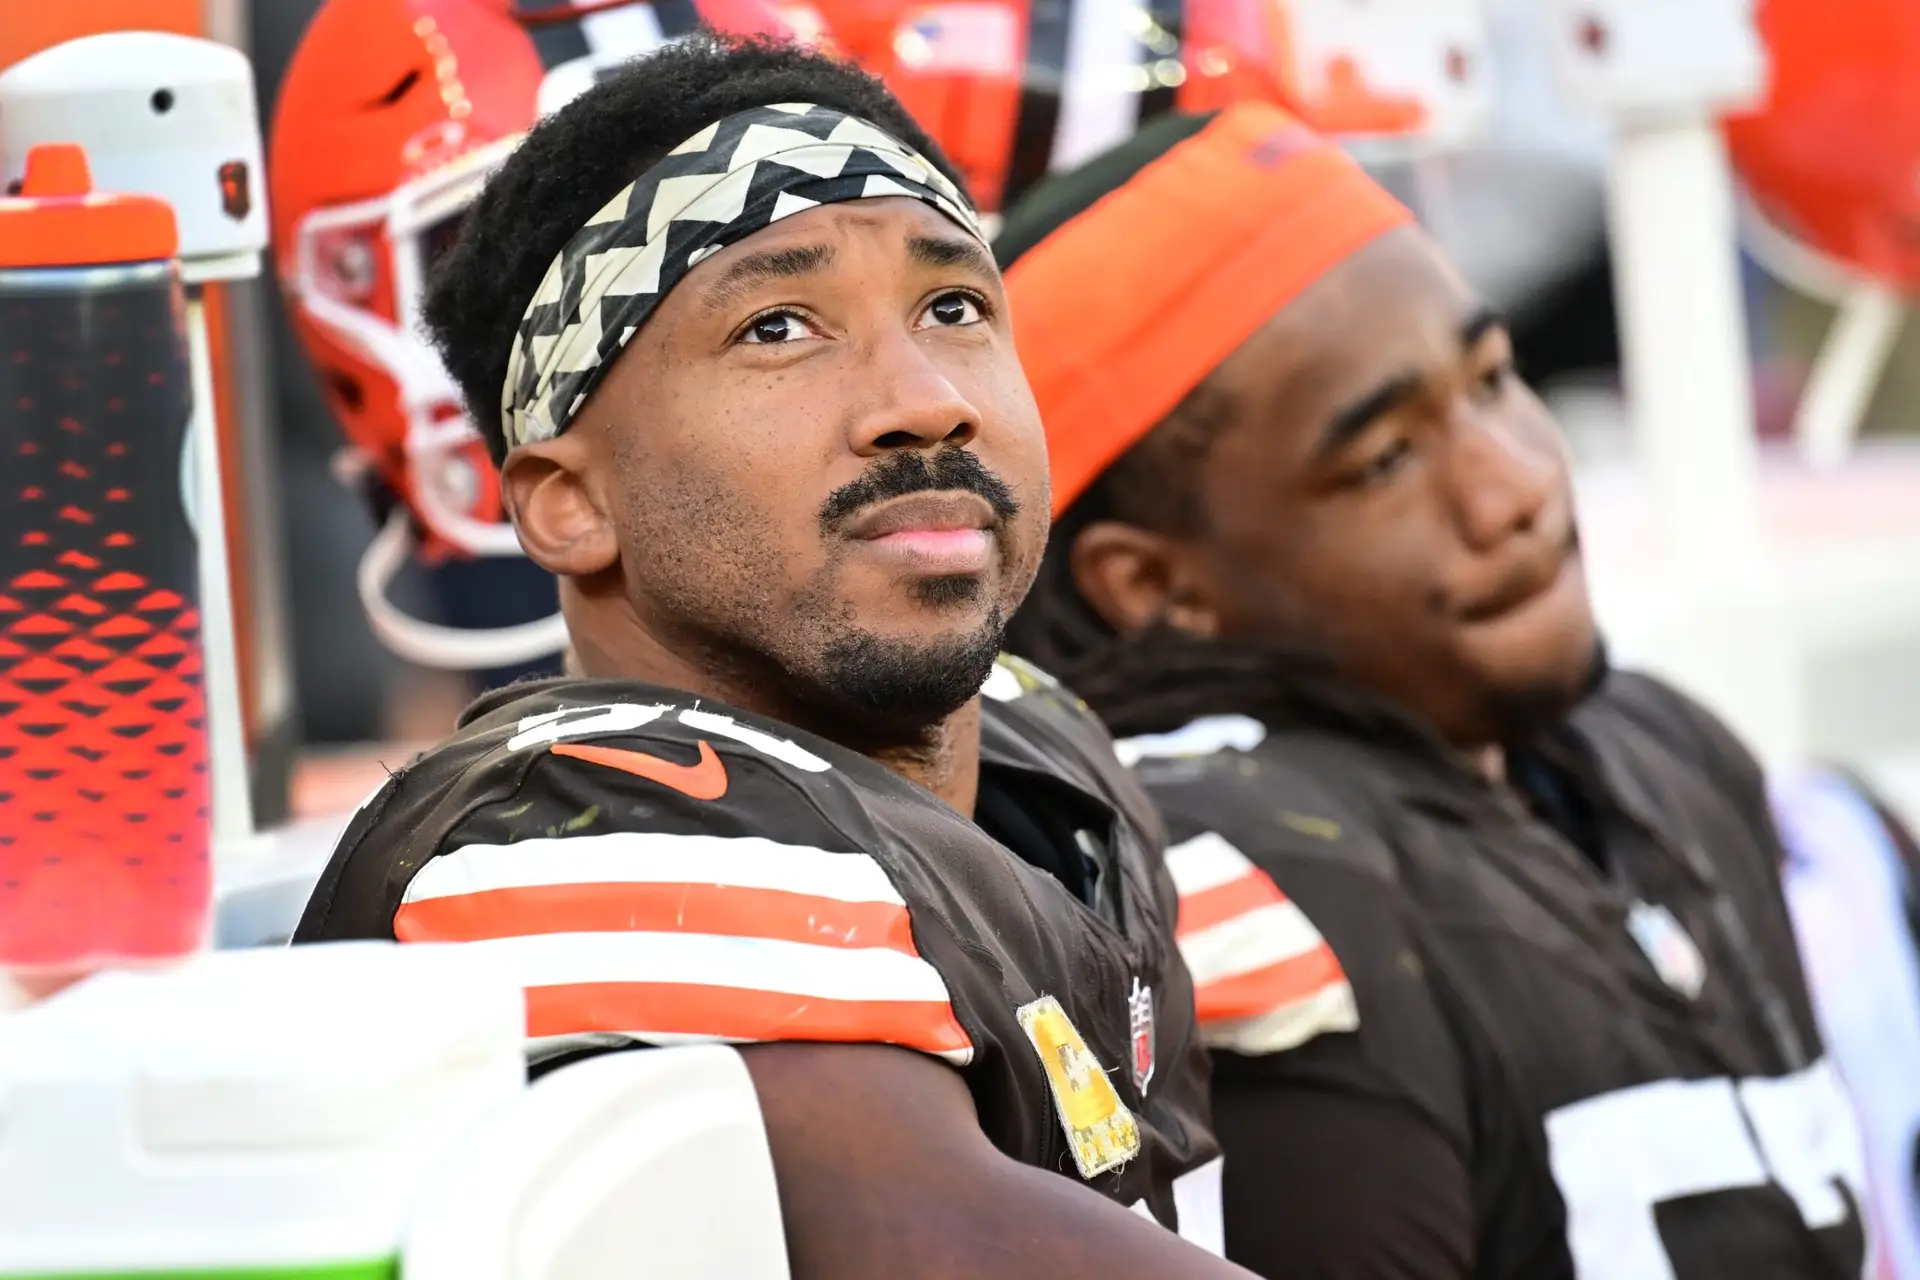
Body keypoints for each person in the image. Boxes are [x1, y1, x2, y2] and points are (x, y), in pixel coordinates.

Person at [291, 36, 1247, 1280]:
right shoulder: (578, 829)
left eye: (953, 306)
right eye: (779, 327)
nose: (922, 398)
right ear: (570, 503)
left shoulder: (1036, 739)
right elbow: (947, 1241)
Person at [999, 103, 1870, 1280]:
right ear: (1156, 586)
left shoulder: (1658, 744)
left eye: (1496, 378)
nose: (1513, 486)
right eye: (1386, 459)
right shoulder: (1239, 873)